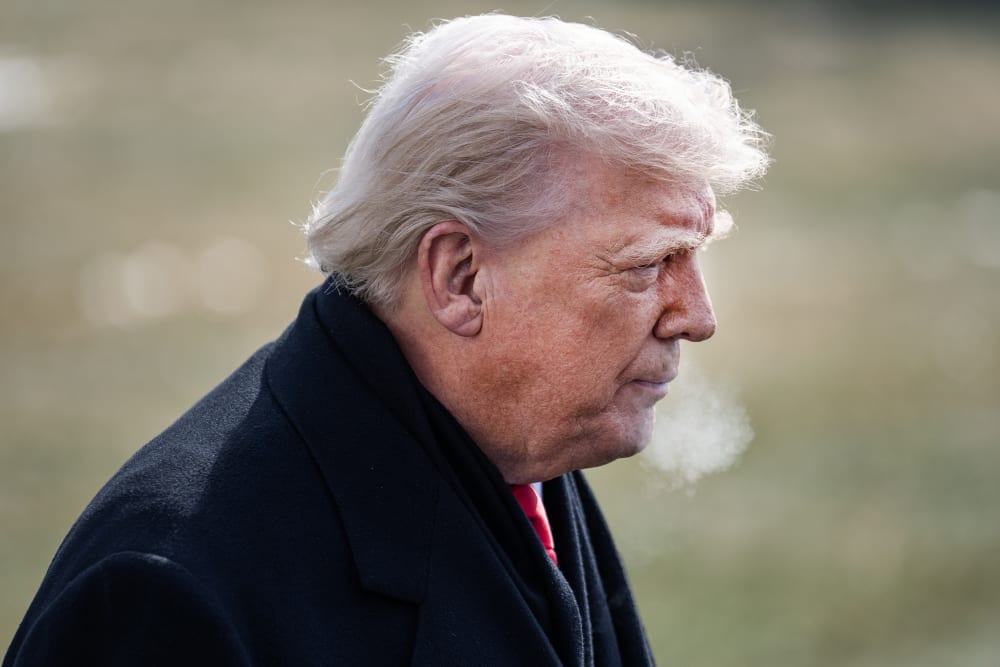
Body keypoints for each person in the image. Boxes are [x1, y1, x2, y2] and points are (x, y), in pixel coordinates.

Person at [4, 14, 767, 667]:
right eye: (648, 265)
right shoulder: (164, 599)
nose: (698, 315)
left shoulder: (520, 446)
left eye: (696, 256)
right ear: (460, 278)